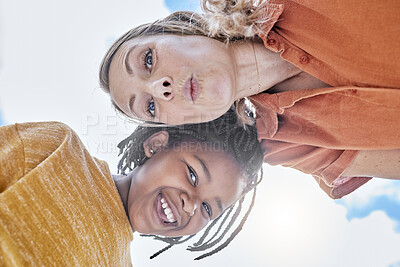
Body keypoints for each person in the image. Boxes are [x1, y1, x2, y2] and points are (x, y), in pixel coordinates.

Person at [99, 0, 400, 198]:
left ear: (179, 30)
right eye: (151, 107)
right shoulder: (287, 146)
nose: (160, 88)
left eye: (148, 60)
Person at [0, 109, 263, 265]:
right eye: (193, 176)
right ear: (157, 145)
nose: (191, 204)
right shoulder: (59, 148)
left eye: (207, 208)